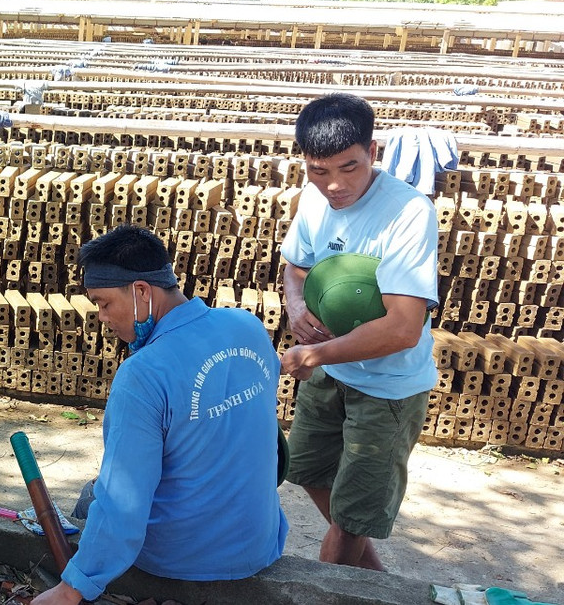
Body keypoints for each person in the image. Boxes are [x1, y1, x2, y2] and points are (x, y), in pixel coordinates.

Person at [33, 225, 287, 605]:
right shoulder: (247, 326)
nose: (101, 317)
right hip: (259, 543)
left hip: (183, 558)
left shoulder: (143, 374)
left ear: (140, 292)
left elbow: (124, 504)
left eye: (104, 303)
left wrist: (72, 590)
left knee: (95, 498)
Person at [279, 92, 438, 571]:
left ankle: (331, 582)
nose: (334, 186)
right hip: (331, 368)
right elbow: (296, 264)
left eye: (349, 168)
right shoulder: (313, 197)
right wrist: (295, 304)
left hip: (387, 388)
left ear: (373, 153)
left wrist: (316, 355)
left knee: (350, 521)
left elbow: (404, 329)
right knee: (305, 467)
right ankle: (374, 581)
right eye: (318, 171)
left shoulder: (409, 213)